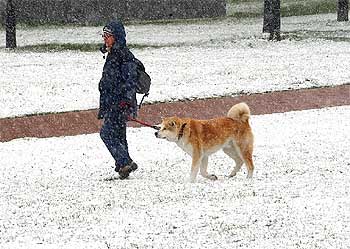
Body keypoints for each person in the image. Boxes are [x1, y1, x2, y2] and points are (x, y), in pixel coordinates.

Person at [97, 19, 138, 180]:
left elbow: (130, 80)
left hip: (119, 103)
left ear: (116, 36)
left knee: (106, 133)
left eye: (108, 35)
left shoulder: (123, 55)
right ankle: (123, 167)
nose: (104, 39)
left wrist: (126, 100)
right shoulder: (114, 53)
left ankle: (125, 161)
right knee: (119, 135)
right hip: (113, 101)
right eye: (104, 35)